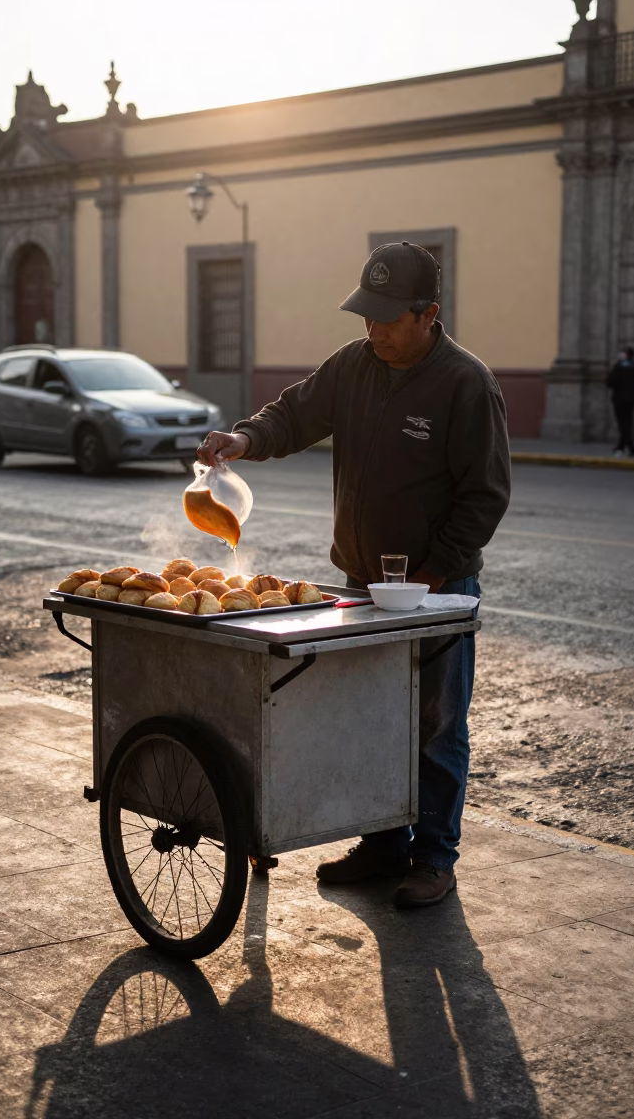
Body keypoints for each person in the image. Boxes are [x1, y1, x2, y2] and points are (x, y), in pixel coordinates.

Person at [198, 242, 511, 909]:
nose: (372, 331)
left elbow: (484, 496)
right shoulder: (356, 366)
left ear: (428, 315)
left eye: (387, 319)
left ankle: (433, 857)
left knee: (435, 727)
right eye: (365, 317)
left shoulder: (465, 383)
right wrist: (245, 440)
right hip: (362, 584)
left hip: (437, 591)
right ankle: (381, 843)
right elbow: (296, 412)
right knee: (370, 718)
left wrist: (430, 577)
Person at [606, 346, 634, 457]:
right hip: (631, 399)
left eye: (623, 353)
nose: (621, 355)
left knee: (623, 424)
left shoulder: (619, 367)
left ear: (626, 355)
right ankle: (620, 447)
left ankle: (630, 447)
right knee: (627, 422)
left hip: (619, 399)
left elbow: (610, 382)